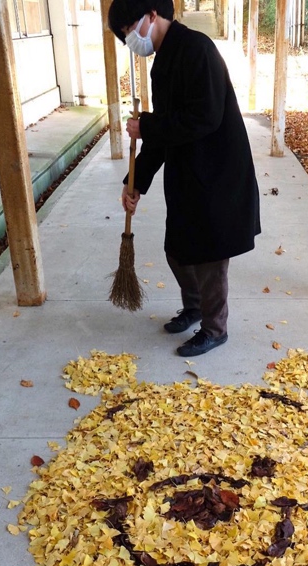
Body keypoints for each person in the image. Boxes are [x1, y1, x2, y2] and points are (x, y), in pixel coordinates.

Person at [108, 0, 261, 356]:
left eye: (130, 30)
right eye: (125, 36)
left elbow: (205, 116)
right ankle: (193, 309)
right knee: (177, 249)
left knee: (209, 256)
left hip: (217, 171)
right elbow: (164, 136)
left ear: (152, 15)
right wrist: (135, 183)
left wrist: (147, 125)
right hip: (188, 172)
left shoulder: (196, 49)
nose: (131, 39)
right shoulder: (163, 62)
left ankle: (215, 328)